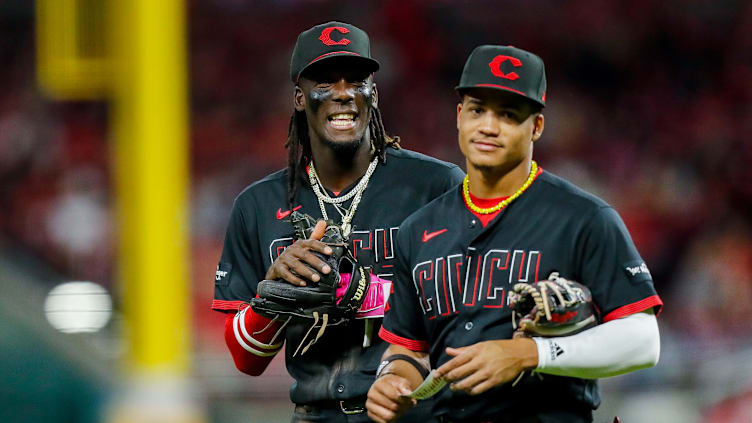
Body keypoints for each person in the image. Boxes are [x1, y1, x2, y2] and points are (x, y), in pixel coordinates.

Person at [366, 45, 663, 423]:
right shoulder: (418, 230)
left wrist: (530, 354)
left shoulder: (585, 218)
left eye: (508, 114)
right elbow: (406, 348)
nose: (488, 126)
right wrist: (391, 380)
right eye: (477, 110)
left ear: (536, 126)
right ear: (459, 116)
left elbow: (643, 341)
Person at [211, 21, 464, 422]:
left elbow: (470, 310)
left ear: (373, 94)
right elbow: (246, 360)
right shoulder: (258, 205)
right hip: (315, 413)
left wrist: (366, 294)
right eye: (325, 82)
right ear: (299, 98)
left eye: (357, 81)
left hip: (417, 410)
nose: (344, 93)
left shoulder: (437, 185)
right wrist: (272, 300)